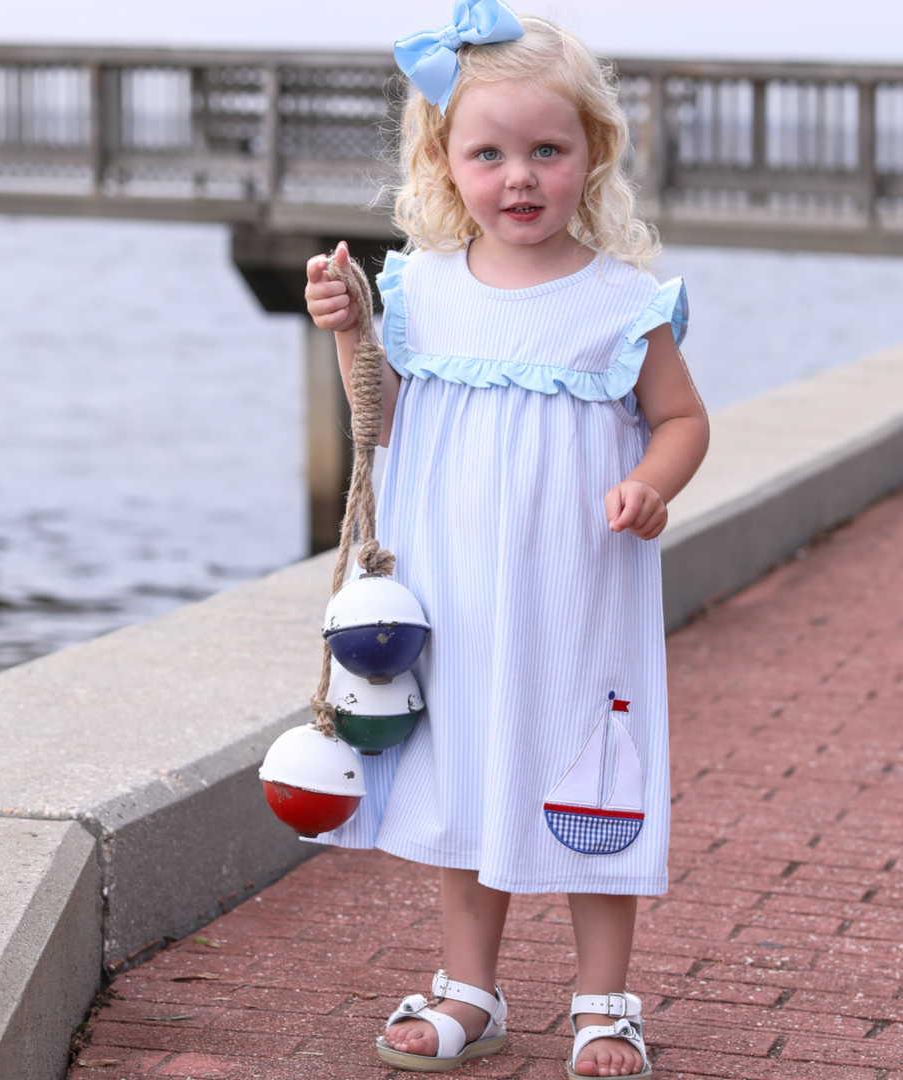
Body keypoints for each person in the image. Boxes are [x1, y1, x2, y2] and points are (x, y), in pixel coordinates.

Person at [304, 3, 709, 1076]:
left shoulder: (622, 302)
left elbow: (682, 418)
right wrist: (351, 324)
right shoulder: (419, 291)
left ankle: (602, 997)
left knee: (595, 781)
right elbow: (382, 407)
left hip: (581, 595)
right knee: (468, 773)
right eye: (489, 153)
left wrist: (649, 484)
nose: (519, 176)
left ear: (594, 155)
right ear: (445, 160)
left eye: (547, 151)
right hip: (459, 598)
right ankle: (470, 986)